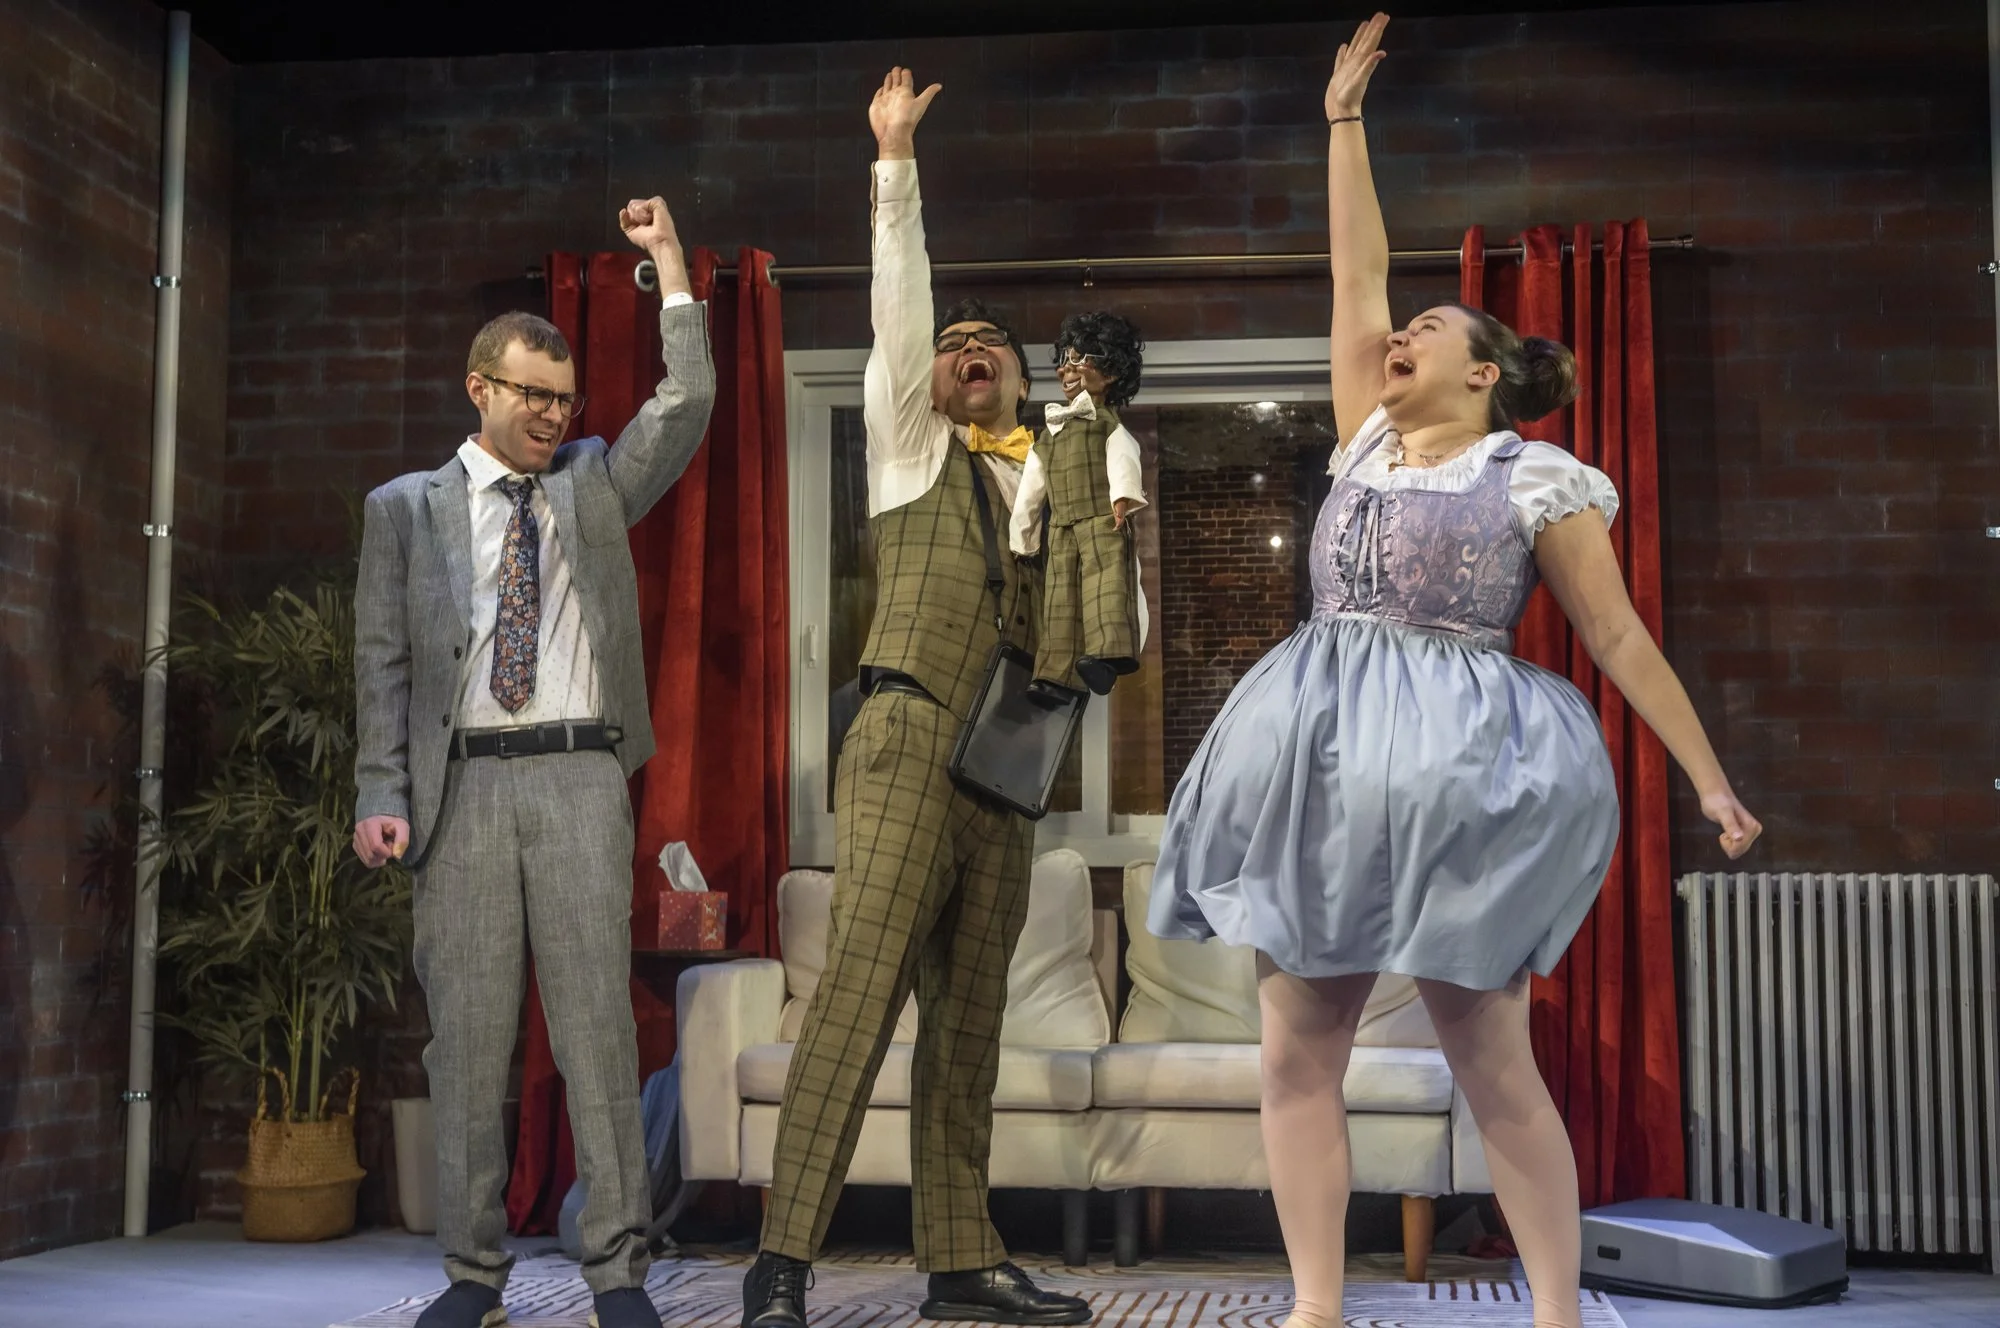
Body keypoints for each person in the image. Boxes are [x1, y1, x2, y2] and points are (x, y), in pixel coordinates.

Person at [1146, 16, 1762, 1328]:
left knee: (1491, 1055)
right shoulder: (1360, 442)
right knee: (1295, 1045)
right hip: (1323, 759)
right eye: (1391, 333)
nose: (1390, 340)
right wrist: (1343, 122)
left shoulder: (1535, 475)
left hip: (1455, 775)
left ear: (1484, 372)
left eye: (1422, 331)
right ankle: (1317, 1306)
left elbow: (1620, 641)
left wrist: (1708, 780)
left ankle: (1553, 1312)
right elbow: (1352, 268)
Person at [740, 68, 1092, 1328]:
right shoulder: (907, 447)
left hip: (1004, 768)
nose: (961, 354)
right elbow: (901, 301)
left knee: (970, 1014)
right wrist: (894, 160)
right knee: (860, 987)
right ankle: (781, 1259)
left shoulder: (1052, 482)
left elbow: (1121, 630)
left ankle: (958, 1261)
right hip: (899, 733)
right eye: (949, 348)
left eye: (985, 345)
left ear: (1020, 374)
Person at [351, 197, 715, 1328]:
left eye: (563, 398)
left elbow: (689, 400)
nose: (554, 415)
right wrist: (379, 790)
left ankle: (616, 1272)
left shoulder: (592, 487)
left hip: (573, 778)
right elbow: (381, 660)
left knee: (597, 1025)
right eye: (532, 396)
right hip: (459, 786)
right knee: (465, 1032)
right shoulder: (403, 511)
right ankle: (472, 1276)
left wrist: (667, 265)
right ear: (481, 388)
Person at [1008, 311, 1149, 696]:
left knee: (1106, 587)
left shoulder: (1107, 424)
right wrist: (1022, 536)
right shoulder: (1048, 438)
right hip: (1062, 528)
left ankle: (1109, 656)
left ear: (1110, 373)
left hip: (1103, 522)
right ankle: (1053, 674)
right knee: (1059, 601)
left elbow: (1123, 456)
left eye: (1078, 359)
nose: (1065, 370)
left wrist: (1122, 497)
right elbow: (1032, 489)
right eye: (1063, 360)